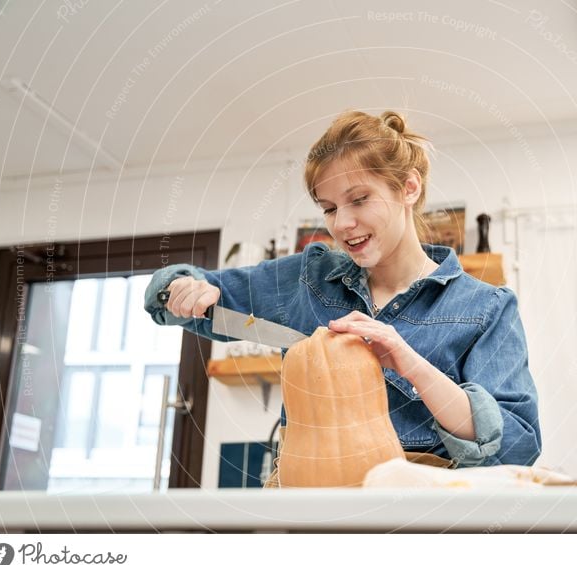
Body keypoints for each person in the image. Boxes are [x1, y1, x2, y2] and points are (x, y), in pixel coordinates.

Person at [143, 110, 541, 472]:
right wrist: (180, 288)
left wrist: (409, 362)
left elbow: (517, 447)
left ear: (408, 188)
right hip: (308, 507)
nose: (343, 223)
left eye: (359, 199)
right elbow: (170, 301)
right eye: (329, 208)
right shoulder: (308, 278)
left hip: (421, 516)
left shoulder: (486, 308)